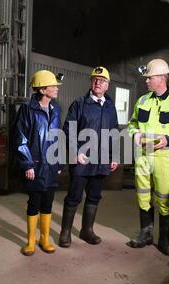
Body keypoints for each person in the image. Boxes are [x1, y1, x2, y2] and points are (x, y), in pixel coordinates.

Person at [126, 58, 169, 256]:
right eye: (146, 78)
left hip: (165, 157)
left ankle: (164, 240)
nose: (146, 81)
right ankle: (145, 235)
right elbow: (132, 124)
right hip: (143, 157)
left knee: (164, 197)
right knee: (143, 195)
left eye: (150, 77)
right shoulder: (142, 101)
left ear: (162, 78)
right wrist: (135, 134)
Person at [58, 66, 119, 248]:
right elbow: (69, 129)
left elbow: (114, 132)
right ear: (91, 83)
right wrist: (76, 151)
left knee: (94, 196)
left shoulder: (110, 107)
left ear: (107, 86)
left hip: (101, 161)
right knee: (74, 196)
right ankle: (65, 232)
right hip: (82, 160)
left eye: (102, 80)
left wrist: (114, 155)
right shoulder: (80, 104)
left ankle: (87, 231)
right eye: (95, 79)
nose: (98, 82)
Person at [15, 70, 63, 256]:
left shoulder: (56, 109)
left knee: (48, 202)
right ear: (43, 89)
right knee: (34, 202)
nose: (56, 89)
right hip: (35, 164)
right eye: (53, 86)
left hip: (51, 165)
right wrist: (27, 164)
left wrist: (59, 163)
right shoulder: (27, 110)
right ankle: (31, 242)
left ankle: (44, 239)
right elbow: (21, 138)